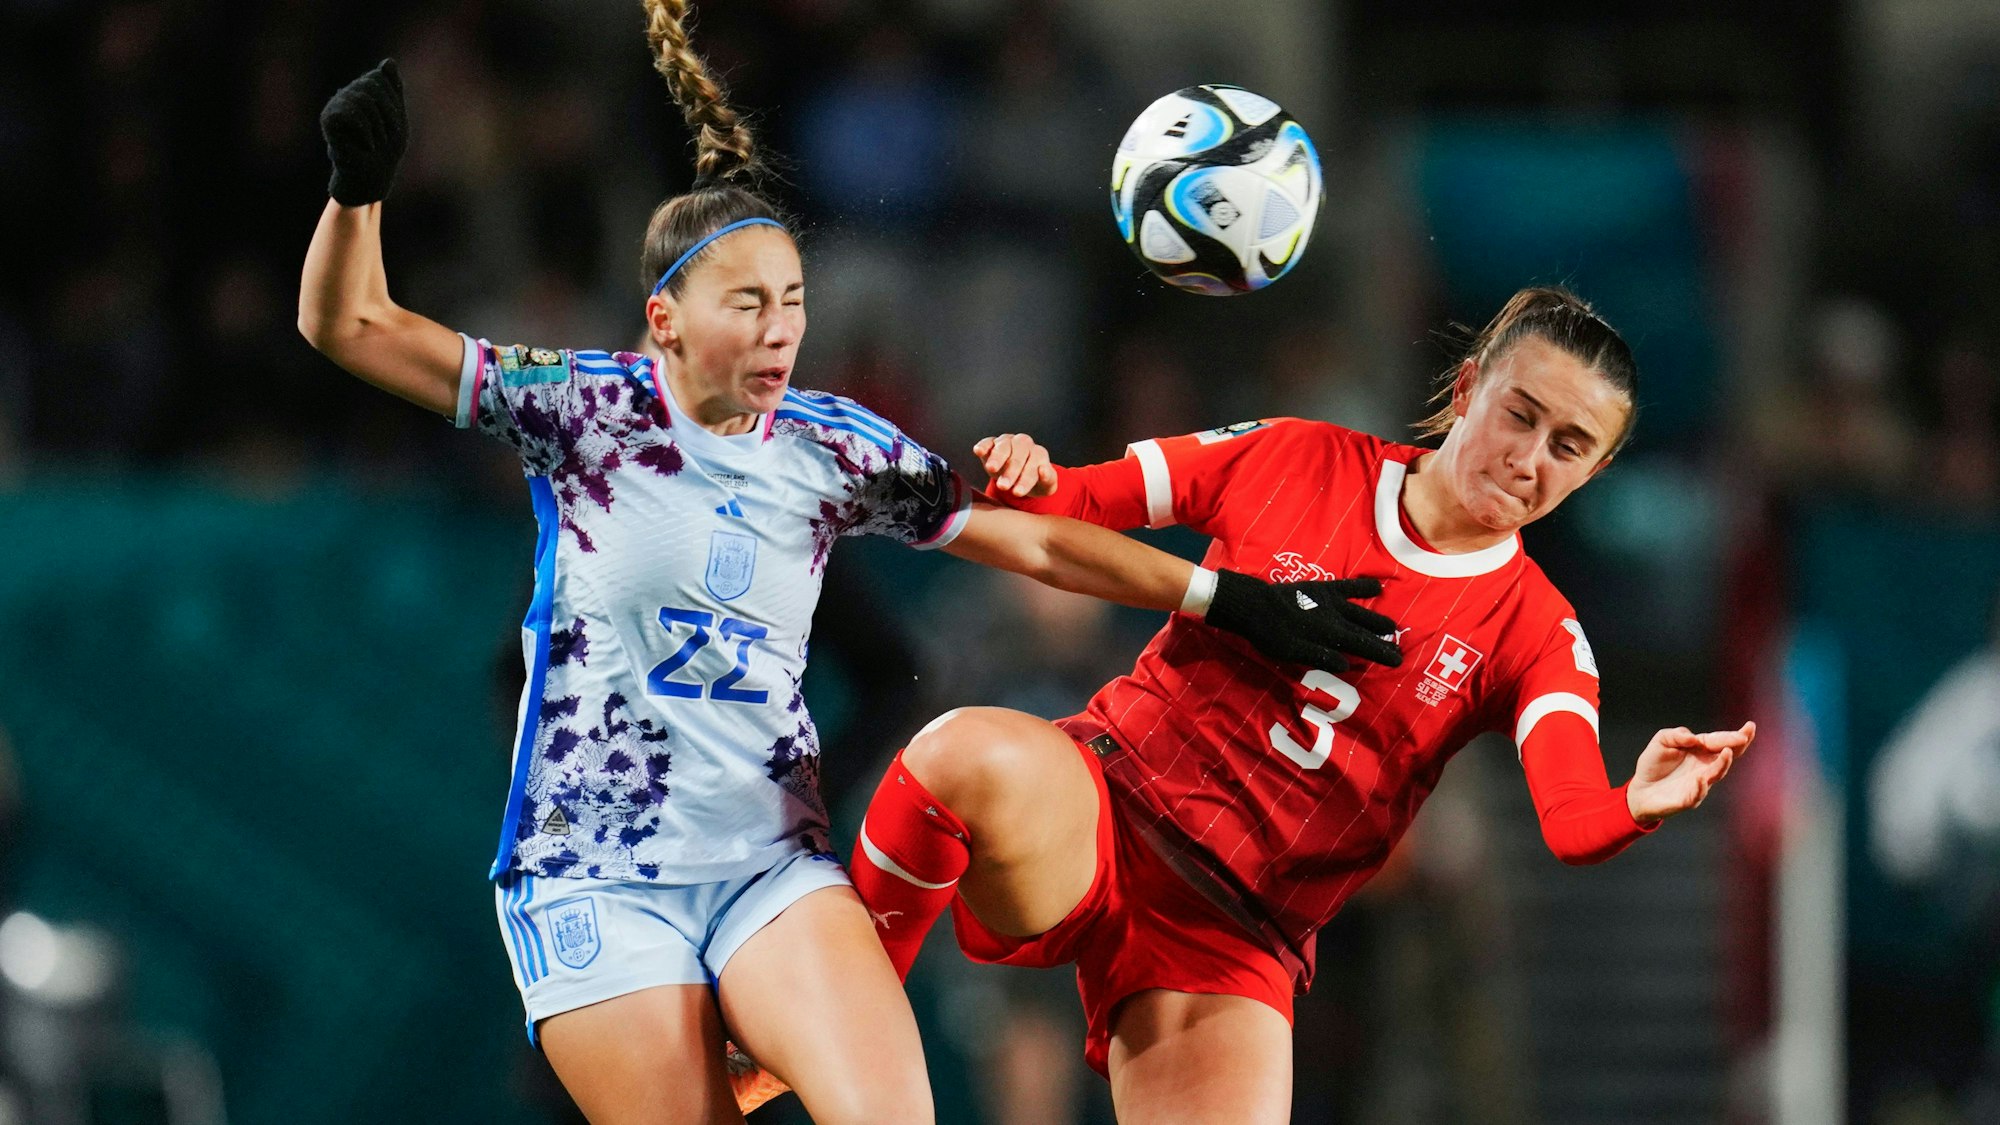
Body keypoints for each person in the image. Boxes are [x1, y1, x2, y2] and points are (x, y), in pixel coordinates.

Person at [296, 5, 1397, 1122]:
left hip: (768, 867)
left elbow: (1038, 542)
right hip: (595, 878)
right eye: (747, 305)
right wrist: (356, 194)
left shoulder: (831, 446)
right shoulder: (584, 410)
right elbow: (352, 324)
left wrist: (1226, 597)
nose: (781, 331)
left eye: (794, 303)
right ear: (663, 319)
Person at [849, 287, 1759, 1123]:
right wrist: (1030, 472)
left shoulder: (1538, 632)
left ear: (1594, 473)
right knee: (959, 753)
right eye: (1520, 414)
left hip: (1233, 936)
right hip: (1107, 804)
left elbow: (1570, 820)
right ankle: (839, 1022)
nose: (1528, 459)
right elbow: (1079, 499)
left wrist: (1634, 805)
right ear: (1470, 386)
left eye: (1568, 446)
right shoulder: (1296, 456)